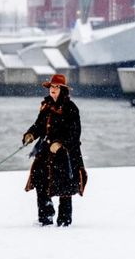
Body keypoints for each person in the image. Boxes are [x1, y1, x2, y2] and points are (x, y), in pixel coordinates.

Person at [21, 73, 87, 226]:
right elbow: (38, 125)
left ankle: (64, 220)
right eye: (51, 86)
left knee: (65, 187)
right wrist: (30, 134)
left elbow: (74, 133)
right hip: (46, 151)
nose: (53, 89)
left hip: (66, 153)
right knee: (39, 179)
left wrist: (60, 143)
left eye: (56, 87)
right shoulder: (46, 106)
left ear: (63, 89)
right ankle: (46, 216)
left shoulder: (71, 108)